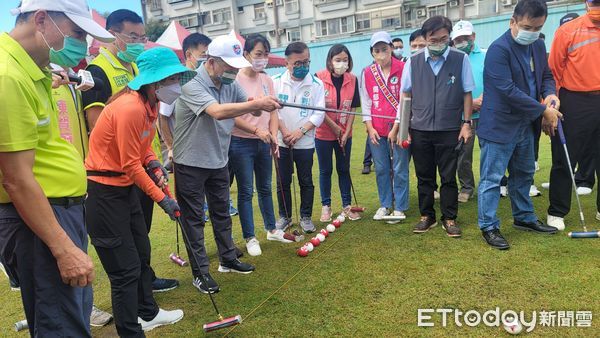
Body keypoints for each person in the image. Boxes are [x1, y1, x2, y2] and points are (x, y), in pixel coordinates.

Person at [0, 1, 114, 335]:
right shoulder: (8, 76)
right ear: (40, 20)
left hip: (57, 212)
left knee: (71, 314)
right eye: (77, 33)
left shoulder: (34, 69)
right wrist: (63, 248)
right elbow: (17, 179)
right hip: (40, 219)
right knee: (61, 326)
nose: (83, 44)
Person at [86, 47, 191, 335]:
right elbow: (130, 165)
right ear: (155, 82)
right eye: (173, 79)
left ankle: (149, 312)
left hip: (125, 190)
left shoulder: (150, 105)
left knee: (141, 252)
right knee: (124, 272)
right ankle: (130, 331)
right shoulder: (130, 107)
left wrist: (155, 162)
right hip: (105, 194)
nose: (177, 84)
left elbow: (141, 150)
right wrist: (163, 200)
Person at [174, 35, 281, 293]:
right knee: (194, 219)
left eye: (236, 65)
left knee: (221, 212)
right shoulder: (191, 82)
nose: (234, 70)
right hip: (190, 162)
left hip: (218, 159)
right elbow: (217, 112)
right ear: (211, 62)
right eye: (228, 65)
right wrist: (255, 104)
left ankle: (228, 258)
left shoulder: (228, 80)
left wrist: (262, 104)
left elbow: (248, 110)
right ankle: (200, 273)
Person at [83, 9, 177, 292]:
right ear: (114, 34)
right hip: (116, 170)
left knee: (140, 234)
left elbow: (143, 134)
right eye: (133, 36)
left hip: (137, 166)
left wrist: (151, 162)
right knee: (124, 240)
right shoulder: (97, 71)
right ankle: (138, 291)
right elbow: (99, 126)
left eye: (142, 37)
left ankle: (145, 283)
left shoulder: (137, 68)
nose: (139, 42)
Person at [477, 0, 562, 250]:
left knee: (524, 174)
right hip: (499, 125)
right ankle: (489, 226)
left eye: (538, 28)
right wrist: (543, 110)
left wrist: (550, 97)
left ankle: (524, 217)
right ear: (512, 21)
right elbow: (507, 91)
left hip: (526, 125)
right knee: (492, 178)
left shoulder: (537, 44)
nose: (532, 32)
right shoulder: (498, 50)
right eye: (527, 26)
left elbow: (545, 77)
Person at [396, 16, 474, 237]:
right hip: (420, 129)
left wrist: (466, 123)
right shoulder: (413, 62)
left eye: (443, 39)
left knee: (449, 176)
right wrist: (404, 129)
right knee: (424, 176)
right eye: (433, 39)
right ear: (425, 38)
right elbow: (406, 94)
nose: (439, 43)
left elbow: (467, 93)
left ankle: (449, 218)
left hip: (449, 128)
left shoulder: (460, 60)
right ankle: (427, 215)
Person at [51, 66, 114, 327]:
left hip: (79, 182)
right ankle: (75, 313)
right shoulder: (36, 81)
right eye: (76, 33)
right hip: (53, 191)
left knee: (81, 252)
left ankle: (84, 309)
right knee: (66, 259)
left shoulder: (73, 83)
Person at [229, 33, 296, 256]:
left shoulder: (267, 80)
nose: (262, 59)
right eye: (258, 54)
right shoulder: (235, 79)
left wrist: (273, 136)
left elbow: (273, 110)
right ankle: (250, 236)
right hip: (241, 142)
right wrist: (256, 130)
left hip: (265, 142)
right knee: (246, 190)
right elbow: (231, 115)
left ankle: (271, 229)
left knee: (266, 188)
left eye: (266, 54)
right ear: (246, 54)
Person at [547, 0, 600, 230]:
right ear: (587, 3)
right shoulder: (568, 30)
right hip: (575, 99)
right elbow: (554, 70)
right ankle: (557, 211)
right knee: (564, 156)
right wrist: (553, 102)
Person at [272, 42, 325, 233]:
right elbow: (273, 112)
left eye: (306, 62)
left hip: (305, 142)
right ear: (287, 63)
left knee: (306, 180)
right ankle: (284, 217)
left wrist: (299, 132)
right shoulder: (276, 81)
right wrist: (285, 132)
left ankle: (306, 217)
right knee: (282, 181)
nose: (303, 66)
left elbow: (319, 114)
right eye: (298, 63)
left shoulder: (316, 84)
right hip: (281, 141)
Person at [361, 31, 410, 224]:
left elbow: (405, 99)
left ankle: (400, 206)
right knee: (381, 167)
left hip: (399, 126)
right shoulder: (367, 72)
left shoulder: (404, 68)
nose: (381, 53)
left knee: (399, 167)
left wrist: (397, 127)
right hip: (376, 128)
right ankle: (385, 204)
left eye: (385, 49)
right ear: (372, 53)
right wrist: (369, 127)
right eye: (377, 50)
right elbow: (365, 102)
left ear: (391, 48)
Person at [315, 44, 362, 223]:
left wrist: (347, 131)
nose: (342, 63)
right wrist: (334, 127)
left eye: (345, 60)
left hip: (344, 134)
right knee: (325, 170)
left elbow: (352, 108)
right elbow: (317, 108)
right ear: (330, 61)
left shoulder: (352, 79)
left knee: (343, 169)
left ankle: (347, 206)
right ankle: (326, 206)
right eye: (338, 60)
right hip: (324, 134)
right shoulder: (319, 78)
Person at [159, 33, 211, 170]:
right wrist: (171, 147)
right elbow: (163, 118)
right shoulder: (176, 81)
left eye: (209, 55)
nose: (207, 59)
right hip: (183, 152)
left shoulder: (205, 80)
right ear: (189, 55)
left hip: (205, 152)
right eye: (203, 54)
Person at [451, 20, 486, 203]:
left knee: (489, 151)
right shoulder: (452, 59)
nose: (462, 41)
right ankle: (466, 187)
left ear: (473, 36)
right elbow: (450, 87)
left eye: (466, 37)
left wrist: (482, 101)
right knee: (463, 153)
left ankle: (490, 185)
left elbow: (494, 81)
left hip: (486, 113)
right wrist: (470, 104)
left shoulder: (485, 55)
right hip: (465, 116)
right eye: (458, 39)